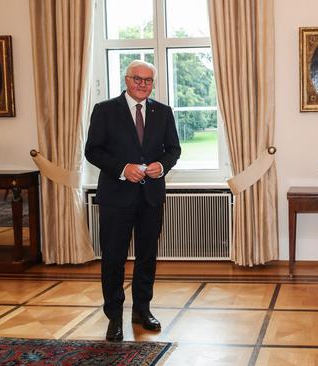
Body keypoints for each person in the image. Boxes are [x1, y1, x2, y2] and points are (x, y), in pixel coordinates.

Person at [85, 60, 181, 341]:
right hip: (116, 197)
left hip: (151, 196)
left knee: (146, 257)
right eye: (137, 79)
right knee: (113, 259)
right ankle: (114, 316)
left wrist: (161, 167)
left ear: (153, 83)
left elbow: (173, 149)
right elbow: (93, 151)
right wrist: (122, 169)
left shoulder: (163, 112)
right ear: (126, 80)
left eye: (148, 80)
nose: (142, 84)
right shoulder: (105, 110)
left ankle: (142, 310)